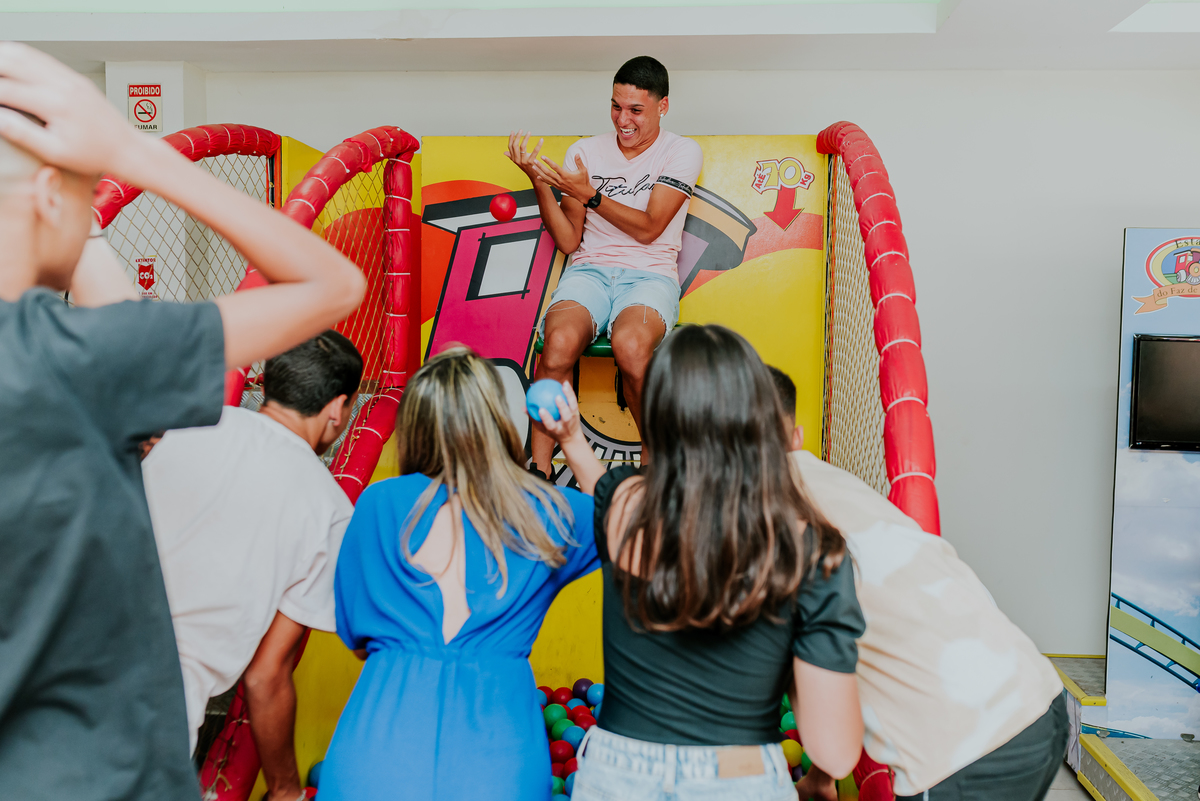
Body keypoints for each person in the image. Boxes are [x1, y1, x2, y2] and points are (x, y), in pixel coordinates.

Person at [0, 44, 365, 801]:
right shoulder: (80, 363)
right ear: (47, 197)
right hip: (102, 761)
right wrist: (130, 151)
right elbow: (334, 281)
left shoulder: (86, 365)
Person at [539, 325, 865, 801]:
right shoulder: (812, 548)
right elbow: (834, 754)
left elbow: (600, 486)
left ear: (656, 418)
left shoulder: (624, 505)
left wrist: (570, 437)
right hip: (741, 774)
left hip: (616, 771)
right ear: (756, 416)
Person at [767, 366, 1068, 801]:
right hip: (1039, 701)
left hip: (966, 754)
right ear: (794, 438)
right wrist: (821, 779)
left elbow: (805, 656)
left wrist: (822, 770)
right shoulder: (829, 482)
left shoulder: (762, 509)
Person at [318, 347, 600, 800]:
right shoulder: (544, 510)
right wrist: (570, 439)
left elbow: (355, 638)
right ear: (497, 420)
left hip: (376, 751)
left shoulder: (377, 504)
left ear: (415, 426)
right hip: (498, 756)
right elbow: (631, 529)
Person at [141, 331, 363, 800]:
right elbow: (266, 676)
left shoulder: (182, 423)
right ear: (337, 408)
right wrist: (284, 789)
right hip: (154, 710)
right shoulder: (330, 510)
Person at [505, 55, 703, 477]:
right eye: (616, 106)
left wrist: (591, 194)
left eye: (636, 110)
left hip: (649, 275)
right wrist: (541, 184)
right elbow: (569, 240)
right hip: (590, 271)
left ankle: (655, 470)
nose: (623, 120)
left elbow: (650, 229)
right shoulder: (585, 152)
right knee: (555, 344)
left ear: (662, 106)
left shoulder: (682, 151)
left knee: (630, 348)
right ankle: (538, 473)